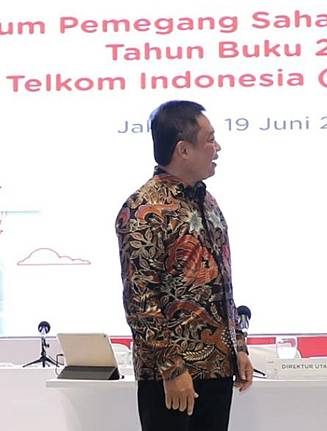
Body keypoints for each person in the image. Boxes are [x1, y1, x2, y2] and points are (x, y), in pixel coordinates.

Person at [116, 100, 253, 431]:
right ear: (183, 149)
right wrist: (172, 368)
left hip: (217, 368)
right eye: (210, 139)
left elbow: (221, 282)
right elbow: (140, 299)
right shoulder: (144, 209)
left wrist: (238, 346)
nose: (217, 148)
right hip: (172, 377)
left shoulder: (207, 201)